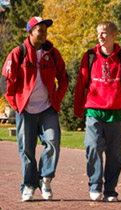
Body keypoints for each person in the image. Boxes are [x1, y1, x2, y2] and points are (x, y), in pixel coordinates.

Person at [1, 16, 68, 202]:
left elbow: (64, 78)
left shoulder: (53, 53)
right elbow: (6, 82)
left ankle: (45, 180)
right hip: (26, 109)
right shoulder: (18, 53)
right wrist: (16, 104)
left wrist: (57, 98)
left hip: (48, 108)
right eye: (40, 29)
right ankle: (29, 186)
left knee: (53, 142)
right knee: (27, 150)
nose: (44, 32)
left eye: (46, 29)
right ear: (30, 32)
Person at [74, 21, 121, 202]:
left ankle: (110, 190)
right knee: (92, 146)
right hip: (94, 111)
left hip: (115, 113)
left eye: (104, 33)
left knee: (115, 155)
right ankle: (95, 185)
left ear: (113, 35)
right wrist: (79, 108)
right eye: (98, 32)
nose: (100, 36)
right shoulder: (89, 56)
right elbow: (81, 84)